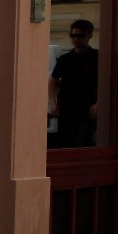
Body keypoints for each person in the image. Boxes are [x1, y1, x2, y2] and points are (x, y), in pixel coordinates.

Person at [49, 19, 98, 148]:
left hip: (87, 109)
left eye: (80, 35)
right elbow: (52, 81)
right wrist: (53, 103)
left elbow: (106, 82)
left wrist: (98, 103)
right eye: (73, 35)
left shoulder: (96, 57)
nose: (76, 39)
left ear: (89, 35)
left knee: (83, 142)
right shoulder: (65, 59)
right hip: (67, 108)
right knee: (67, 143)